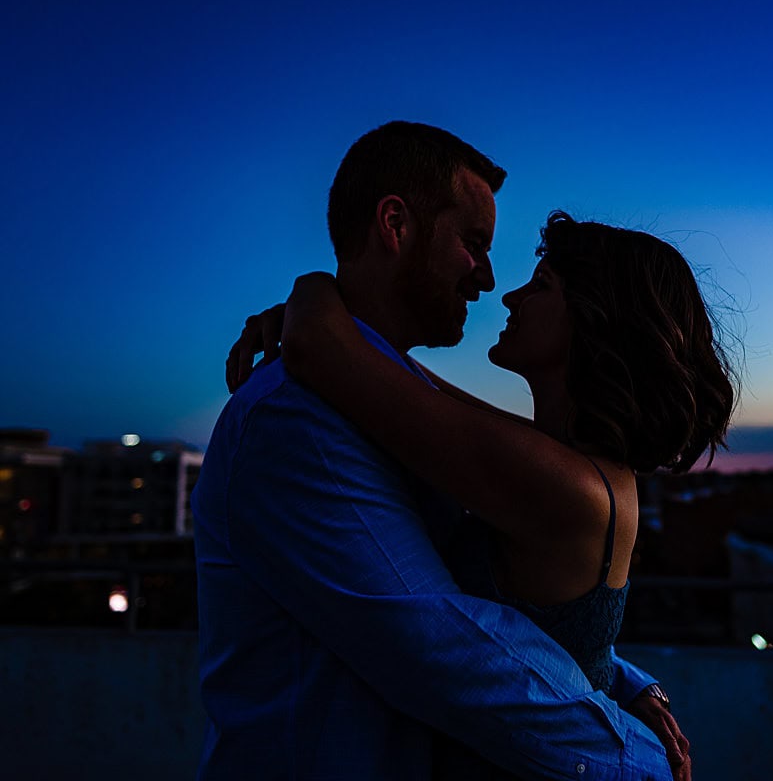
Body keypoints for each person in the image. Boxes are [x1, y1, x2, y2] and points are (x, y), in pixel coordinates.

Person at [197, 121, 706, 780]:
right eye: (473, 244)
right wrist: (641, 756)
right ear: (395, 225)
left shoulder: (379, 397)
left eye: (537, 281)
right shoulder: (298, 420)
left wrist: (315, 308)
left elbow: (492, 607)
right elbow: (445, 646)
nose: (493, 282)